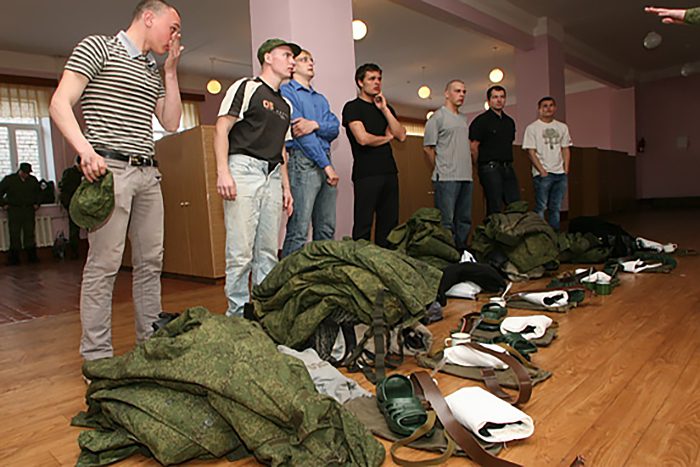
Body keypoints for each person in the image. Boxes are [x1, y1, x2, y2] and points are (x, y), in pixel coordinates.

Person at [49, 0, 183, 362]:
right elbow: (60, 103)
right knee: (104, 265)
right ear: (149, 17)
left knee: (151, 263)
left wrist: (170, 72)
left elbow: (171, 122)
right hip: (110, 170)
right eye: (172, 27)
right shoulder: (98, 47)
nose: (175, 36)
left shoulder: (152, 69)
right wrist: (85, 151)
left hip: (148, 174)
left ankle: (149, 346)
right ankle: (97, 358)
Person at [214, 38, 297, 317]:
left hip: (272, 175)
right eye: (286, 55)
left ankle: (263, 312)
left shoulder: (285, 105)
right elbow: (222, 128)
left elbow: (281, 149)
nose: (292, 61)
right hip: (243, 169)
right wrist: (223, 171)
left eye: (293, 57)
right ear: (268, 57)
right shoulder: (247, 87)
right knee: (241, 253)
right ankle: (237, 315)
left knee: (268, 252)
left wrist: (286, 187)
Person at [280, 49, 340, 257]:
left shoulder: (320, 99)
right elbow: (302, 136)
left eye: (311, 59)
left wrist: (314, 124)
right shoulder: (287, 92)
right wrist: (326, 165)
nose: (310, 63)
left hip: (324, 160)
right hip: (303, 162)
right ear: (293, 66)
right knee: (298, 230)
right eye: (304, 59)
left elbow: (334, 128)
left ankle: (320, 274)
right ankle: (288, 277)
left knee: (326, 229)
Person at [342, 63, 406, 247]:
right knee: (363, 225)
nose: (377, 82)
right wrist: (386, 138)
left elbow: (401, 135)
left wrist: (384, 109)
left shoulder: (386, 108)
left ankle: (385, 261)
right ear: (360, 82)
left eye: (379, 79)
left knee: (389, 225)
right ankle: (361, 262)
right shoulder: (352, 107)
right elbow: (362, 139)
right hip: (366, 174)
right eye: (372, 79)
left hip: (389, 172)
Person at [423, 79, 473, 250]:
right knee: (446, 221)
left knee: (464, 219)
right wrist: (439, 168)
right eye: (457, 91)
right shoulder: (437, 117)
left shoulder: (463, 119)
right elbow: (428, 149)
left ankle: (462, 253)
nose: (462, 94)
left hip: (466, 176)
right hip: (446, 178)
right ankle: (448, 255)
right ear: (447, 93)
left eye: (464, 91)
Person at [522, 97, 572, 231]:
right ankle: (541, 234)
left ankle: (554, 234)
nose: (548, 108)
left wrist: (566, 169)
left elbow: (565, 148)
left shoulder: (562, 127)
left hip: (560, 173)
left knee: (555, 207)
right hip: (543, 174)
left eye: (551, 105)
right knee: (541, 207)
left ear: (555, 108)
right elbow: (531, 151)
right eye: (545, 106)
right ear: (539, 109)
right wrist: (542, 171)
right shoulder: (532, 128)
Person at [469, 85, 519, 215]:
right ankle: (493, 228)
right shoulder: (481, 121)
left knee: (515, 204)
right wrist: (478, 165)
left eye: (502, 97)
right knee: (494, 205)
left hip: (508, 167)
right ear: (489, 100)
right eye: (495, 97)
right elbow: (473, 146)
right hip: (489, 167)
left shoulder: (509, 122)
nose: (499, 100)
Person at [0, 162, 41, 265]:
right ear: (20, 171)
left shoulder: (33, 180)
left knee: (29, 233)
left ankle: (32, 257)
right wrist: (3, 204)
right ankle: (14, 258)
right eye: (25, 173)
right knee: (14, 233)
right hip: (15, 209)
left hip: (28, 209)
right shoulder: (9, 180)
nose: (27, 175)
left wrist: (37, 203)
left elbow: (39, 193)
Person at [59, 164, 83, 258]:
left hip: (81, 204)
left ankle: (75, 251)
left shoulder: (82, 173)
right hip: (74, 204)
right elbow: (65, 190)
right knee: (74, 230)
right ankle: (74, 251)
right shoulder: (70, 173)